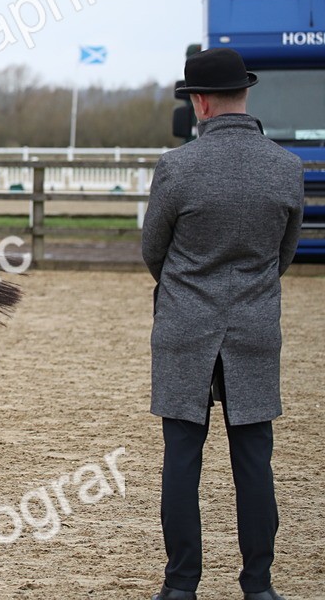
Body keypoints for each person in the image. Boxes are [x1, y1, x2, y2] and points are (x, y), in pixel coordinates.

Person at [143, 48, 303, 600]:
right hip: (255, 327)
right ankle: (258, 584)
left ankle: (181, 584)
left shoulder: (177, 167)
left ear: (201, 103)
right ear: (244, 95)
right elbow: (284, 254)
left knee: (182, 460)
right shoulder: (285, 167)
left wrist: (189, 285)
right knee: (255, 461)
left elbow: (153, 251)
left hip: (186, 325)